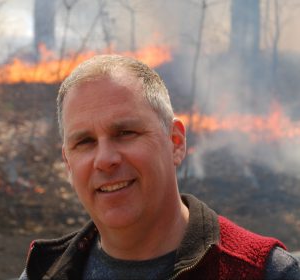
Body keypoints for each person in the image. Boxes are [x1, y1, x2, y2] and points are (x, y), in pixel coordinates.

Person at [19, 55, 300, 280]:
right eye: (85, 142)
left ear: (175, 142)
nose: (105, 159)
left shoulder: (263, 272)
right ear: (68, 163)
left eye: (125, 133)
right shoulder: (44, 272)